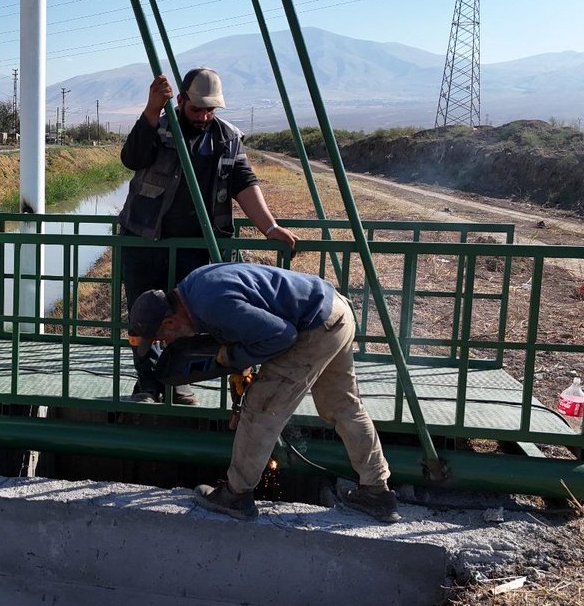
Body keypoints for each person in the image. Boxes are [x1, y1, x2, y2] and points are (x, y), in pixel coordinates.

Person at [127, 261, 400, 523]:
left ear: (171, 323)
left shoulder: (213, 305)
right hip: (335, 312)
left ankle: (236, 495)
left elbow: (282, 336)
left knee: (261, 408)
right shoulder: (195, 287)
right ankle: (376, 491)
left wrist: (234, 356)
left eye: (163, 338)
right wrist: (240, 374)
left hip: (312, 328)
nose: (168, 343)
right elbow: (245, 324)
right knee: (343, 406)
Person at [117, 67, 297, 405]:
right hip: (144, 239)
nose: (203, 116)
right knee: (145, 313)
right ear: (181, 100)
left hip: (195, 247)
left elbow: (243, 183)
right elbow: (132, 158)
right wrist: (153, 108)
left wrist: (269, 227)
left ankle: (178, 381)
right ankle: (147, 384)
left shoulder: (227, 138)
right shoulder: (160, 126)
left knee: (186, 318)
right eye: (196, 108)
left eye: (209, 110)